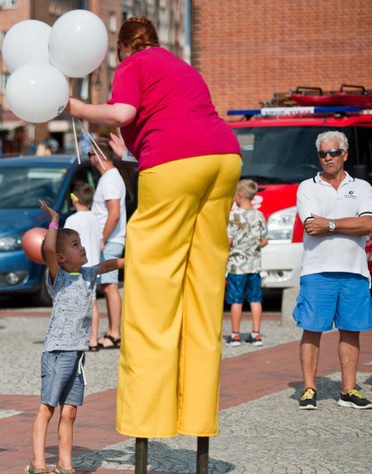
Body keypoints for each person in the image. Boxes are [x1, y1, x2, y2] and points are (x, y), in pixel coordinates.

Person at [66, 17, 241, 442]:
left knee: (152, 283)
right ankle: (197, 414)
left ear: (124, 48)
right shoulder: (181, 67)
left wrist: (76, 108)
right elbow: (178, 118)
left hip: (176, 163)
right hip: (224, 158)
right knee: (202, 290)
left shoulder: (133, 64)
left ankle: (150, 417)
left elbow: (123, 112)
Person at [26, 200, 124, 474]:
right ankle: (38, 464)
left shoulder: (87, 274)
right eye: (74, 244)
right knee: (47, 409)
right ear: (60, 257)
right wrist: (54, 220)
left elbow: (108, 264)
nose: (81, 247)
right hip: (58, 352)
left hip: (77, 354)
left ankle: (64, 466)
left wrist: (142, 258)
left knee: (69, 413)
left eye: (81, 243)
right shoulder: (60, 277)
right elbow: (46, 251)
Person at [295, 131, 372, 411]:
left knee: (352, 330)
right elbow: (310, 226)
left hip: (354, 270)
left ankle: (348, 390)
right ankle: (308, 389)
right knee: (312, 329)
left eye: (334, 152)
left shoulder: (363, 187)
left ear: (345, 155)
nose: (328, 158)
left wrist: (328, 224)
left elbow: (368, 225)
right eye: (323, 153)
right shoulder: (307, 187)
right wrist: (347, 223)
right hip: (317, 270)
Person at [87, 138, 126, 349]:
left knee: (110, 286)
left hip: (110, 240)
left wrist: (102, 237)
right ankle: (113, 332)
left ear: (100, 156)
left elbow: (114, 214)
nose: (90, 159)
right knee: (107, 285)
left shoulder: (110, 179)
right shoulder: (108, 177)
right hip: (108, 239)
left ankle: (114, 334)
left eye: (91, 154)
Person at [225, 179, 268, 347]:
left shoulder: (233, 216)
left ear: (239, 194)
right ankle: (256, 335)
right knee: (255, 299)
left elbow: (228, 241)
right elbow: (265, 240)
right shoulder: (259, 215)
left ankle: (235, 335)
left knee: (236, 300)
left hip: (236, 266)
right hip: (254, 266)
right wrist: (253, 248)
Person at [64, 182, 102, 351]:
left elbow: (64, 245)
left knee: (76, 304)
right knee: (92, 303)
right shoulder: (95, 218)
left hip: (76, 268)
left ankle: (78, 338)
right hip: (93, 266)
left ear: (74, 199)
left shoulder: (72, 220)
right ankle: (93, 339)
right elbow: (101, 244)